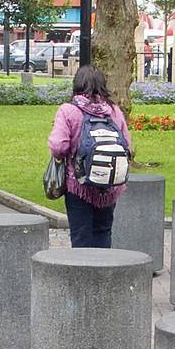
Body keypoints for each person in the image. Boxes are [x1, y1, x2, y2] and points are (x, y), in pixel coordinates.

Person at [47, 64, 132, 248]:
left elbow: (58, 146)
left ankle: (83, 275)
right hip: (110, 185)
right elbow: (128, 147)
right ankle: (102, 273)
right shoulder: (114, 111)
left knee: (81, 235)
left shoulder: (68, 110)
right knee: (103, 231)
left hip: (79, 185)